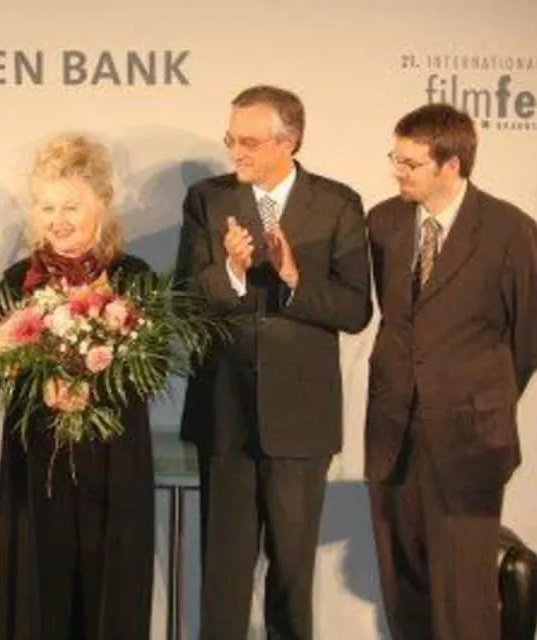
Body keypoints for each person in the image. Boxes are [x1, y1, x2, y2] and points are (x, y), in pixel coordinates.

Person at [175, 85, 372, 638]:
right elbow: (184, 300)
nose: (235, 152)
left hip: (301, 419)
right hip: (225, 413)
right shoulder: (207, 200)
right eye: (231, 139)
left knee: (291, 574)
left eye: (249, 142)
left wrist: (293, 278)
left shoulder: (337, 204)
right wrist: (231, 273)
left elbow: (355, 309)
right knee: (224, 576)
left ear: (289, 142)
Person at [366, 103, 537, 639]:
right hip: (393, 436)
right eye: (395, 158)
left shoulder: (510, 230)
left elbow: (527, 338)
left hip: (470, 441)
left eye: (410, 163)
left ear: (451, 165)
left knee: (464, 600)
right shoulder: (383, 222)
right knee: (405, 592)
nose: (397, 172)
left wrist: (481, 396)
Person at [0, 134, 155, 640]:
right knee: (38, 594)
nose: (57, 220)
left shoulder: (133, 278)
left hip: (113, 461)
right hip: (38, 461)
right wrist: (33, 381)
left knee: (111, 592)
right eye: (47, 207)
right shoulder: (17, 281)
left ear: (101, 205)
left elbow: (150, 371)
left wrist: (96, 387)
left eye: (70, 206)